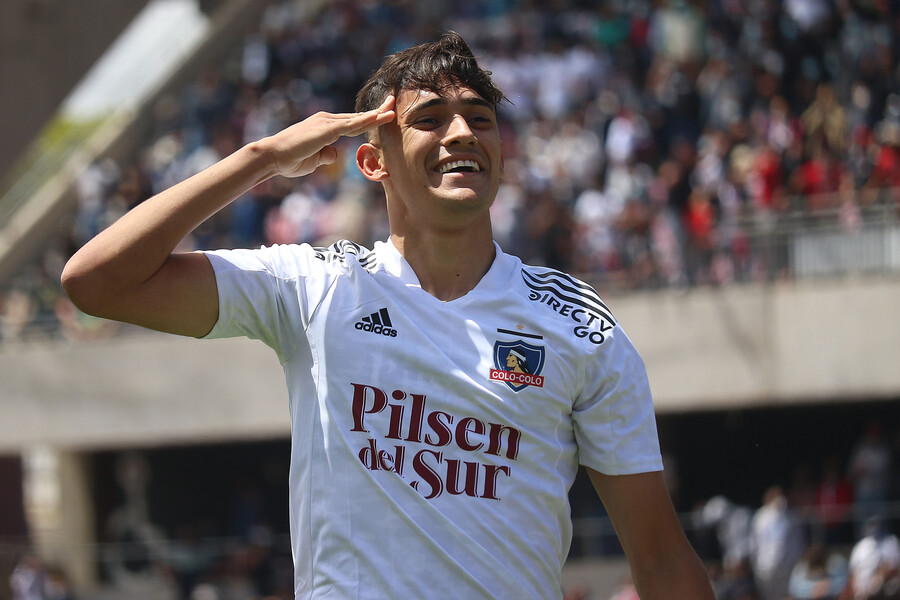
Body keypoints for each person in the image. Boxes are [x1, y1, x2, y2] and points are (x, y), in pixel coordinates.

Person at [62, 32, 714, 599]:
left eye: (480, 118)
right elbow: (97, 282)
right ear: (374, 160)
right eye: (430, 118)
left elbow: (660, 557)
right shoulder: (315, 285)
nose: (463, 133)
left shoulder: (577, 323)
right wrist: (262, 160)